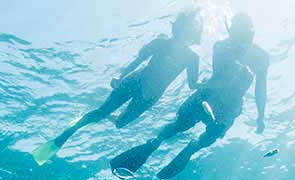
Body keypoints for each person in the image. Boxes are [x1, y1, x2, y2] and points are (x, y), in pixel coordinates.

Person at [109, 12, 268, 180]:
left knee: (206, 134)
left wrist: (261, 117)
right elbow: (221, 78)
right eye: (239, 34)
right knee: (179, 125)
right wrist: (236, 75)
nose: (243, 40)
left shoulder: (261, 57)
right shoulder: (222, 47)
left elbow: (261, 89)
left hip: (227, 103)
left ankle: (189, 147)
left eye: (247, 35)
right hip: (208, 96)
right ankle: (157, 143)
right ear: (232, 32)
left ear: (252, 33)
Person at [31, 10, 203, 165]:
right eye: (184, 28)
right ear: (179, 28)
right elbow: (139, 61)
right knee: (102, 111)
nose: (184, 33)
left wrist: (207, 87)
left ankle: (97, 116)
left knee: (120, 123)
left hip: (149, 96)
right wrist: (120, 76)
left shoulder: (192, 58)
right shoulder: (161, 43)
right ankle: (62, 137)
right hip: (136, 82)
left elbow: (192, 84)